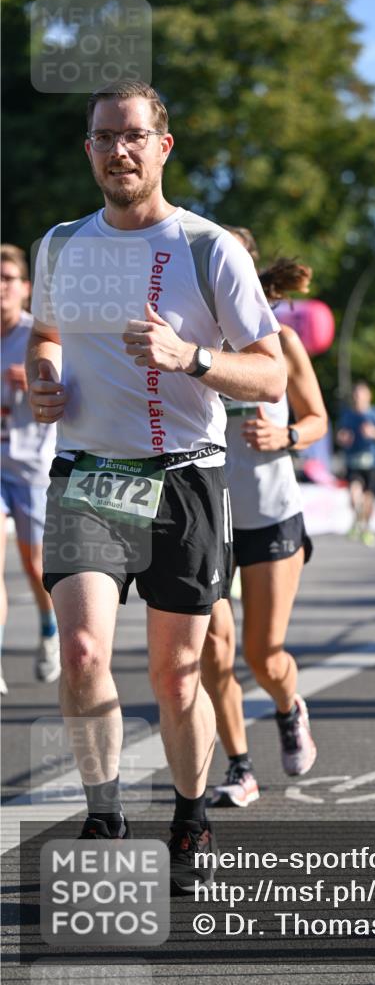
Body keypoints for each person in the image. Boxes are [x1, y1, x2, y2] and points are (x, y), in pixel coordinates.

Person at [27, 82, 286, 894]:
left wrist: (192, 359)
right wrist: (43, 375)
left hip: (184, 478)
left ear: (162, 147)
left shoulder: (211, 248)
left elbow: (271, 372)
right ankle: (105, 814)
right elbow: (46, 331)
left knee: (176, 676)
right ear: (90, 149)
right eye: (104, 138)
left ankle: (188, 813)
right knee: (83, 651)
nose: (119, 151)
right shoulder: (62, 244)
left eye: (133, 136)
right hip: (90, 473)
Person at [201, 229, 328, 808]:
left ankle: (287, 706)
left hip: (272, 515)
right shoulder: (192, 341)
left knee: (263, 654)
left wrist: (287, 435)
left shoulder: (281, 340)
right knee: (213, 650)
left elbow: (319, 417)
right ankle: (239, 766)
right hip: (207, 518)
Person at [1, 244, 59, 695]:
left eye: (7, 279)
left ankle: (48, 629)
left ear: (25, 288)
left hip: (34, 469)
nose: (0, 288)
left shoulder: (36, 333)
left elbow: (74, 382)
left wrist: (39, 377)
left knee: (35, 564)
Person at [337, 382, 375, 546]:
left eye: (361, 396)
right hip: (353, 461)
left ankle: (365, 527)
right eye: (355, 396)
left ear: (368, 397)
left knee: (368, 498)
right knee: (354, 495)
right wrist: (342, 438)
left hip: (372, 461)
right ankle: (358, 520)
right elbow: (340, 435)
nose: (358, 399)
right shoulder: (347, 415)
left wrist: (374, 433)